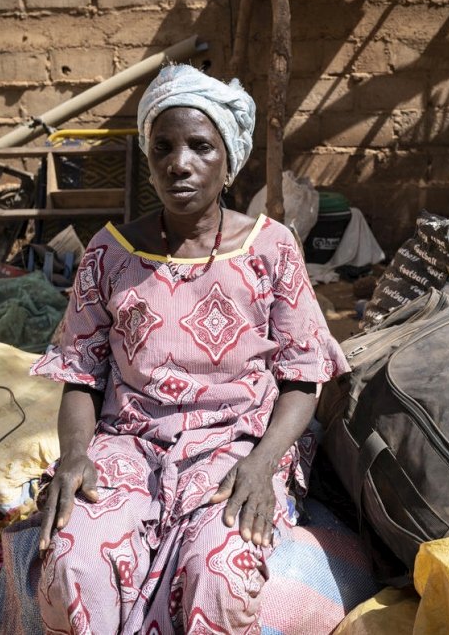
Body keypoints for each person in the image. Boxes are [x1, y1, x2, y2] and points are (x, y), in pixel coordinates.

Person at [30, 64, 349, 634]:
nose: (179, 162)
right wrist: (76, 456)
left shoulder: (270, 248)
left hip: (236, 443)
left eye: (200, 146)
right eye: (163, 149)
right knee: (73, 560)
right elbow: (81, 375)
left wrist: (263, 462)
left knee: (218, 571)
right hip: (128, 442)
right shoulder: (109, 252)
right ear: (149, 163)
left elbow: (303, 378)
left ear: (228, 161)